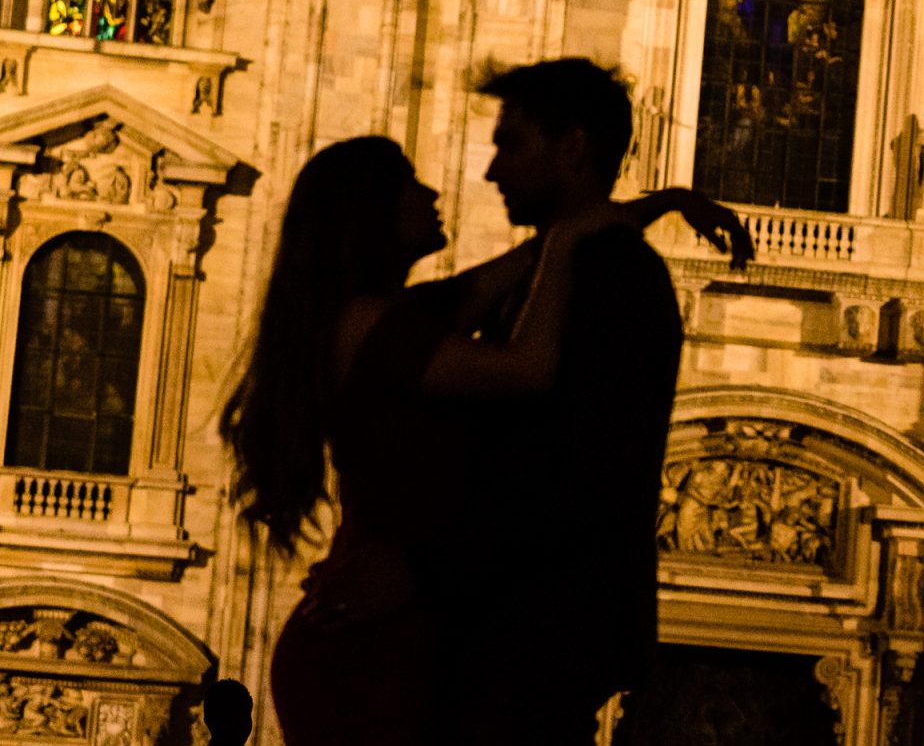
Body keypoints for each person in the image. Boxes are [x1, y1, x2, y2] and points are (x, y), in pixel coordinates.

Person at [218, 105, 745, 744]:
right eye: (410, 183)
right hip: (370, 643)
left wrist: (666, 202)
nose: (433, 191)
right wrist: (568, 243)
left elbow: (519, 265)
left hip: (395, 623)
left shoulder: (397, 315)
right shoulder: (366, 325)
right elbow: (526, 369)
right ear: (370, 215)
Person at [425, 58, 713, 745]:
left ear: (574, 147)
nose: (494, 170)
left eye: (512, 144)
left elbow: (567, 464)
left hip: (528, 631)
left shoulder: (610, 276)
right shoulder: (569, 261)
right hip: (527, 631)